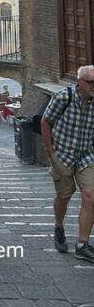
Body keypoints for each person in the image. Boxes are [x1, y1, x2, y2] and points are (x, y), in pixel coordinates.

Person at [41, 65, 94, 263]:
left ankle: (82, 245)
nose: (93, 86)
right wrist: (50, 153)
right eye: (90, 82)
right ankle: (59, 226)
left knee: (90, 196)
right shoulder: (64, 97)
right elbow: (45, 121)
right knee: (64, 196)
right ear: (79, 82)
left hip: (86, 156)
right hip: (62, 156)